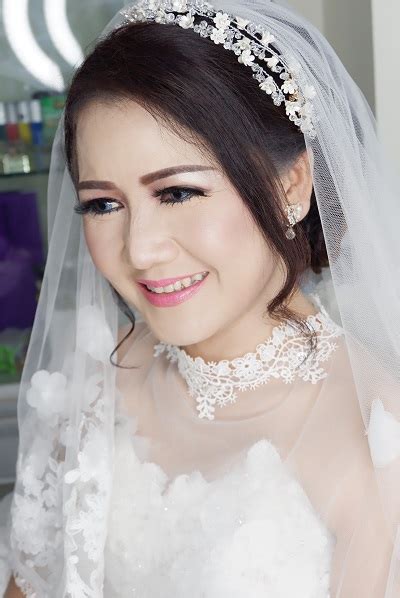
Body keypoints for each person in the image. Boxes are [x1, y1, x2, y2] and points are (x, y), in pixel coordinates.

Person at [1, 0, 400, 595]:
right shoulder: (101, 378)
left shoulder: (378, 432)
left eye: (178, 193)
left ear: (291, 184)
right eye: (103, 204)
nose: (140, 250)